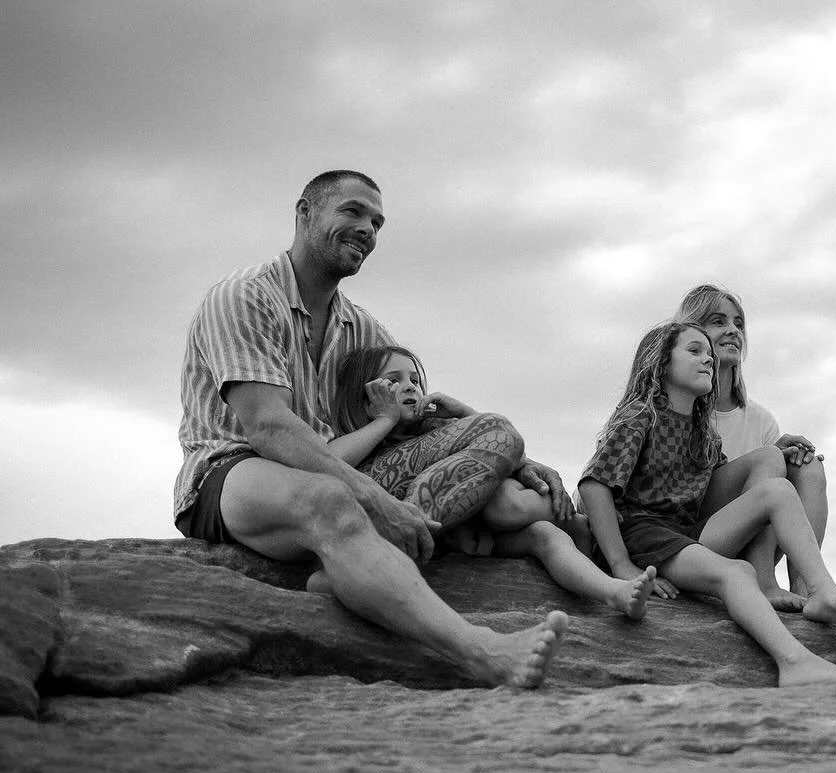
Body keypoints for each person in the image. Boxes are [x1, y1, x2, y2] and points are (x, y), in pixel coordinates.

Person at [173, 169, 566, 688]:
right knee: (328, 499)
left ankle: (352, 566)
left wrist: (518, 459)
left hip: (337, 466)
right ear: (305, 213)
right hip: (234, 470)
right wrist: (378, 501)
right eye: (352, 211)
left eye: (377, 223)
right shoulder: (243, 296)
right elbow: (269, 428)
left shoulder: (360, 328)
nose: (367, 229)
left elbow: (414, 409)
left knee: (496, 429)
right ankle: (481, 650)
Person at [578, 320, 836, 687]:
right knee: (736, 573)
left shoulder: (703, 433)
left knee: (777, 489)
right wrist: (621, 564)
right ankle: (794, 662)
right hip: (644, 535)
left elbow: (726, 488)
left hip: (687, 533)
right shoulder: (640, 416)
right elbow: (594, 485)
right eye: (694, 351)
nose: (709, 360)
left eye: (710, 356)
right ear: (661, 362)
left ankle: (821, 590)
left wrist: (775, 456)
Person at [328, 344, 657, 619]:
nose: (410, 386)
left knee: (545, 534)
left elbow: (495, 449)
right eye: (393, 381)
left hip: (482, 533)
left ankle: (612, 592)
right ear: (364, 397)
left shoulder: (436, 428)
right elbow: (327, 461)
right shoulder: (366, 443)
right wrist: (384, 420)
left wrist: (463, 413)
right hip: (438, 537)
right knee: (515, 507)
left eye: (415, 380)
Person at [675, 284, 826, 607]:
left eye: (739, 323)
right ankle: (764, 582)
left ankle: (806, 590)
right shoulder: (680, 405)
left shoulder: (760, 419)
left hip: (750, 540)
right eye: (718, 321)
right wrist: (768, 457)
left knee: (808, 466)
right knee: (770, 458)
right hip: (698, 538)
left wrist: (784, 457)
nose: (733, 330)